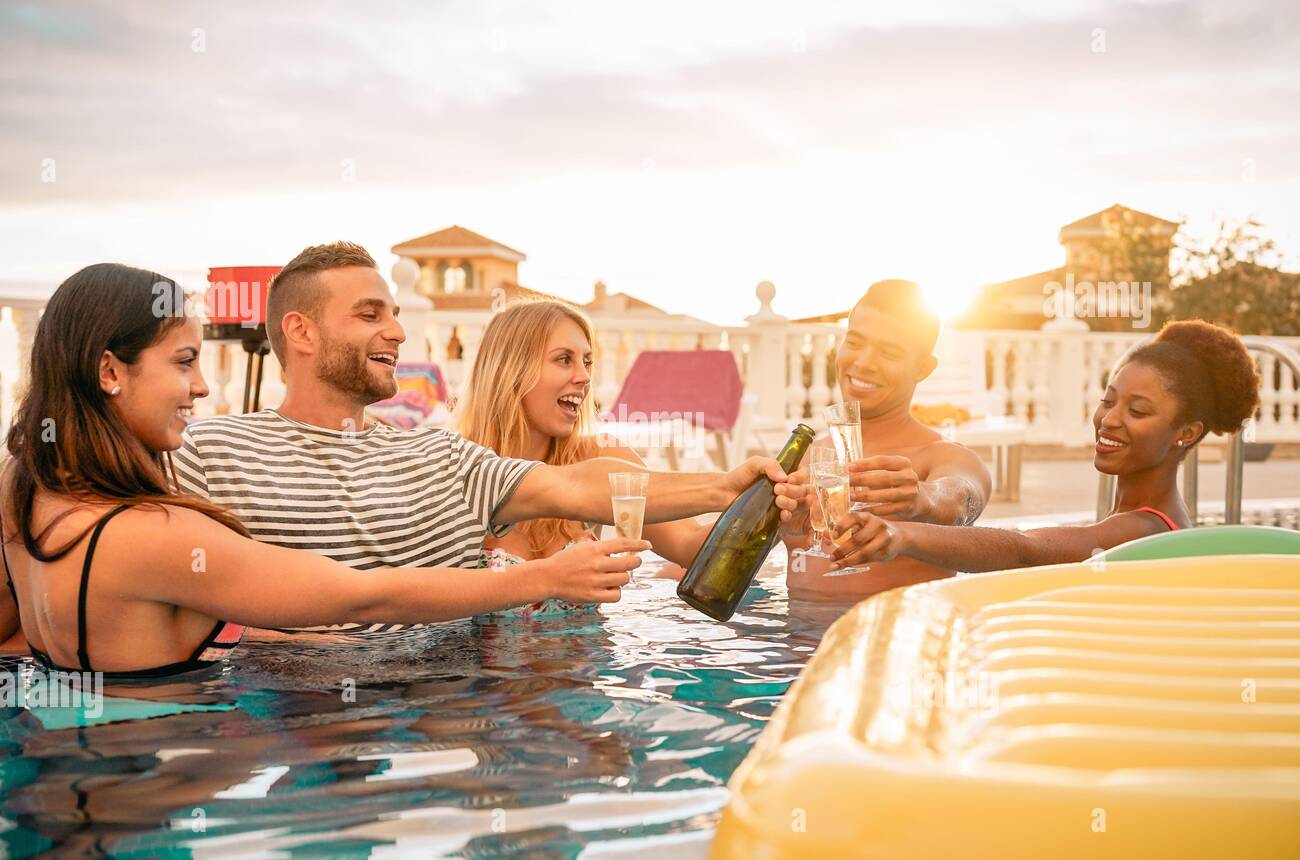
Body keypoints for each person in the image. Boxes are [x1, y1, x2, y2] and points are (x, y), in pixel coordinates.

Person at [0, 264, 653, 677]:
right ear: (110, 370)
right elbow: (363, 593)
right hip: (148, 786)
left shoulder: (23, 487)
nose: (202, 387)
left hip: (73, 768)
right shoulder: (154, 532)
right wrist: (541, 579)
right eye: (182, 364)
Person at [173, 242, 802, 633]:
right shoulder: (207, 451)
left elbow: (576, 485)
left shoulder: (434, 455)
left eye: (394, 313)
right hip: (282, 713)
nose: (397, 330)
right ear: (301, 333)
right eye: (371, 314)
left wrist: (725, 488)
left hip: (447, 703)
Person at [825, 319, 1261, 572]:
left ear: (1186, 432)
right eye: (1108, 401)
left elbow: (1025, 550)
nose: (1109, 419)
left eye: (1138, 411)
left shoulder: (1146, 530)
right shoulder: (1140, 521)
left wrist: (902, 534)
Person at [453, 297, 744, 616]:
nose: (584, 377)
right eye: (564, 359)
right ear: (510, 369)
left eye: (587, 362)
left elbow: (690, 545)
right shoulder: (455, 466)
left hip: (592, 663)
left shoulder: (598, 455)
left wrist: (771, 503)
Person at [780, 280, 992, 597]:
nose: (863, 362)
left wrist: (922, 497)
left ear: (922, 367)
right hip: (796, 641)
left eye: (888, 352)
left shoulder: (942, 458)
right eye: (854, 343)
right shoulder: (805, 458)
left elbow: (962, 499)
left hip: (898, 638)